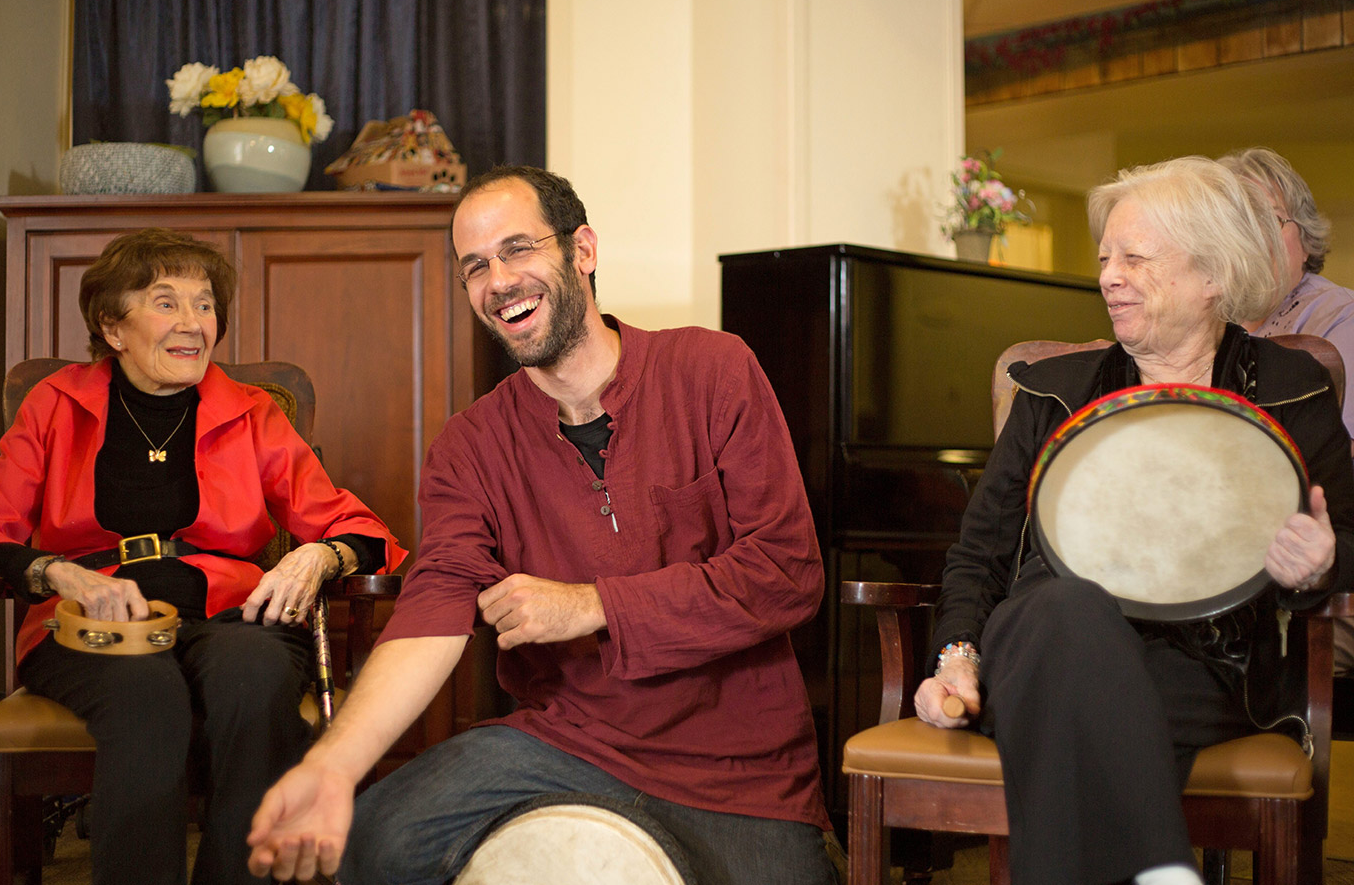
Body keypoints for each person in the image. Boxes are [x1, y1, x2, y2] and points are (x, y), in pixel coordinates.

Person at [246, 166, 837, 885]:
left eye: (519, 249)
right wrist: (333, 767)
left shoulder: (713, 370)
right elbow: (434, 608)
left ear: (581, 250)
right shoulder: (469, 445)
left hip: (742, 767)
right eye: (476, 267)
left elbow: (787, 574)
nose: (498, 280)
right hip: (565, 744)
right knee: (374, 844)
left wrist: (590, 605)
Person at [913, 157, 1354, 885]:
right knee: (1067, 607)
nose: (1109, 276)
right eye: (1105, 259)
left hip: (1205, 663)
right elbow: (979, 554)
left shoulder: (1289, 390)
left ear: (1214, 275)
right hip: (1035, 641)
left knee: (1077, 714)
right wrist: (956, 655)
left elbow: (1347, 541)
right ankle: (1162, 867)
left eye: (1136, 259)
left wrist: (1319, 566)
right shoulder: (1050, 392)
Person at [0, 228, 405, 885]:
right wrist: (58, 571)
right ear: (113, 325)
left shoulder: (251, 412)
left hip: (228, 610)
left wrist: (317, 558)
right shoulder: (56, 406)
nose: (193, 322)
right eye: (166, 302)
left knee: (256, 680)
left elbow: (356, 527)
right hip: (94, 618)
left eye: (204, 304)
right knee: (145, 695)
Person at [1219, 146, 1354, 675]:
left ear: (1302, 237)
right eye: (1231, 221)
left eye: (1264, 219)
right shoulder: (1207, 325)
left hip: (1317, 574)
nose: (1246, 236)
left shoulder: (1339, 320)